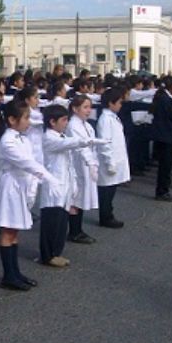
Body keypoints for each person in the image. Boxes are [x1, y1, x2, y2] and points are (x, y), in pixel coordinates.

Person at [0, 100, 60, 291]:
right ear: (12, 120)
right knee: (8, 231)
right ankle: (8, 275)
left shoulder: (22, 138)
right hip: (10, 187)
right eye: (26, 117)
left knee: (15, 231)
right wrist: (48, 177)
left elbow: (33, 160)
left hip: (20, 185)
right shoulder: (8, 140)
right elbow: (26, 163)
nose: (29, 121)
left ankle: (15, 272)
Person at [38, 104, 92, 268]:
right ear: (52, 122)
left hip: (64, 186)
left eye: (67, 119)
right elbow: (70, 144)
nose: (66, 123)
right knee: (51, 223)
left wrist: (74, 184)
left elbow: (69, 163)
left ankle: (56, 252)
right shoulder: (49, 138)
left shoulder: (60, 136)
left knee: (61, 222)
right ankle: (48, 255)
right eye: (63, 120)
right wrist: (88, 141)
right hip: (54, 187)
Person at [66, 95, 99, 244]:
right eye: (85, 107)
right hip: (77, 165)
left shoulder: (85, 124)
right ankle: (74, 231)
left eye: (89, 107)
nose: (88, 110)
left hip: (85, 165)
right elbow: (81, 146)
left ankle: (77, 230)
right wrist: (90, 162)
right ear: (75, 108)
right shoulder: (73, 125)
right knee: (76, 198)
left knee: (81, 198)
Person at [95, 88, 127, 229]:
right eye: (119, 102)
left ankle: (108, 214)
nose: (121, 105)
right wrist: (109, 162)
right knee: (106, 191)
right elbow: (105, 143)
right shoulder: (105, 120)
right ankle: (106, 217)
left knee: (111, 189)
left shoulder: (112, 117)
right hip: (109, 161)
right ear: (110, 103)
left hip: (116, 158)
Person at [150, 76, 172, 202]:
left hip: (162, 135)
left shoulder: (160, 97)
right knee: (166, 166)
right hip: (167, 135)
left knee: (164, 165)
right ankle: (162, 191)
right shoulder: (167, 100)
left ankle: (162, 190)